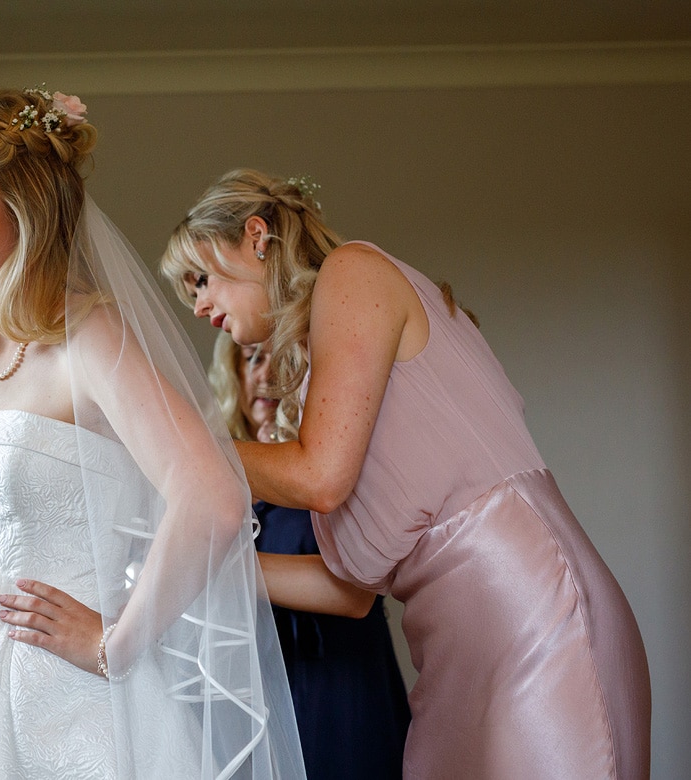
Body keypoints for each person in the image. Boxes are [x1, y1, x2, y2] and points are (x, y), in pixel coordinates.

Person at [0, 92, 306, 778]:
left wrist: (115, 644)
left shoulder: (90, 336)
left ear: (26, 206)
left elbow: (212, 496)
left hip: (78, 702)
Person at [161, 168, 651, 778]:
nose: (201, 305)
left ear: (256, 236)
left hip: (530, 613)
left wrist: (169, 446)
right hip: (456, 647)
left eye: (202, 280)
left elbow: (318, 475)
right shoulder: (325, 363)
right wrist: (204, 568)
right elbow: (347, 591)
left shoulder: (353, 272)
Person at [209, 330, 411, 779]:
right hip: (260, 690)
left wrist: (216, 573)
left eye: (275, 359)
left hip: (341, 685)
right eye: (251, 359)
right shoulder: (221, 486)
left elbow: (355, 591)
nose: (263, 374)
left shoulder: (332, 468)